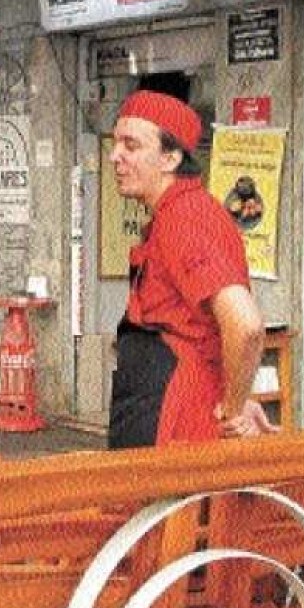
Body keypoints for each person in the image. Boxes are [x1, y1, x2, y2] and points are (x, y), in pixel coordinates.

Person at [107, 90, 275, 446]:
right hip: (160, 395)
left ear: (170, 157)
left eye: (131, 146)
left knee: (165, 503)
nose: (115, 156)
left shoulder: (186, 217)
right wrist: (240, 400)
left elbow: (245, 327)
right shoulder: (175, 214)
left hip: (176, 413)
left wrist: (232, 411)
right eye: (115, 143)